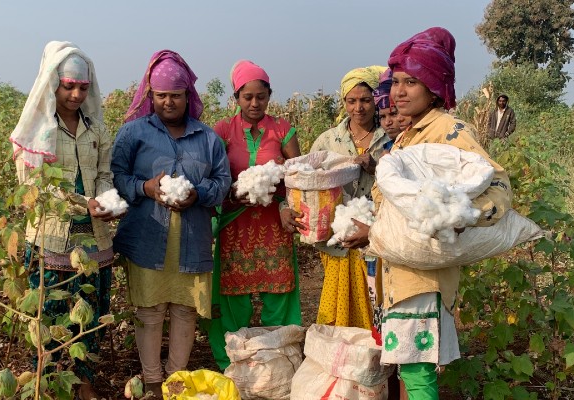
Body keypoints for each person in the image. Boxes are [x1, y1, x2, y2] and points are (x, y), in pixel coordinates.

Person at [348, 27, 512, 399]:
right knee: (410, 369)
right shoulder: (409, 134)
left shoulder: (449, 132)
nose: (399, 92)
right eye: (397, 82)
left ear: (435, 86)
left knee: (418, 372)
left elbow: (498, 185)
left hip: (423, 278)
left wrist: (462, 214)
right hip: (400, 272)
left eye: (412, 82)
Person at [111, 50, 231, 394]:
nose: (168, 102)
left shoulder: (207, 138)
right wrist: (145, 187)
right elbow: (116, 175)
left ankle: (175, 379)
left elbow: (222, 181)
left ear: (187, 97)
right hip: (147, 235)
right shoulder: (133, 133)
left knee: (184, 310)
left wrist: (199, 194)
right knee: (149, 310)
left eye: (175, 96)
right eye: (161, 95)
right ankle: (151, 380)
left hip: (192, 238)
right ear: (151, 96)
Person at [10, 41, 117, 400]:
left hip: (94, 237)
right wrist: (80, 202)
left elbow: (104, 173)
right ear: (52, 83)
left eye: (82, 87)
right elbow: (32, 187)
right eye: (68, 86)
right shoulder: (37, 131)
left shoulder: (96, 129)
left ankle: (84, 381)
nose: (75, 94)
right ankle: (53, 381)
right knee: (52, 313)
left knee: (91, 313)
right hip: (51, 237)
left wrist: (103, 198)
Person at [207, 60, 303, 370]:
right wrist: (232, 194)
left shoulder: (282, 130)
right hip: (235, 223)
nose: (254, 103)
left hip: (274, 224)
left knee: (280, 292)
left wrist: (286, 207)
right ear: (236, 98)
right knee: (234, 296)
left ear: (269, 96)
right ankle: (233, 364)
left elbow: (298, 177)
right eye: (247, 97)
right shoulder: (222, 130)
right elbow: (212, 175)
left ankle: (280, 362)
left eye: (260, 97)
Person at [309, 66, 389, 330]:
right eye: (351, 101)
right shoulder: (327, 140)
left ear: (375, 101)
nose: (359, 108)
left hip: (376, 234)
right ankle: (341, 359)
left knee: (376, 299)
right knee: (338, 305)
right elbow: (308, 182)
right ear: (343, 102)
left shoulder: (389, 137)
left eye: (366, 100)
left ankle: (376, 357)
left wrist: (375, 167)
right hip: (338, 238)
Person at [374, 69, 411, 155]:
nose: (387, 122)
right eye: (382, 117)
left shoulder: (420, 143)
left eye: (394, 114)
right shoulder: (388, 148)